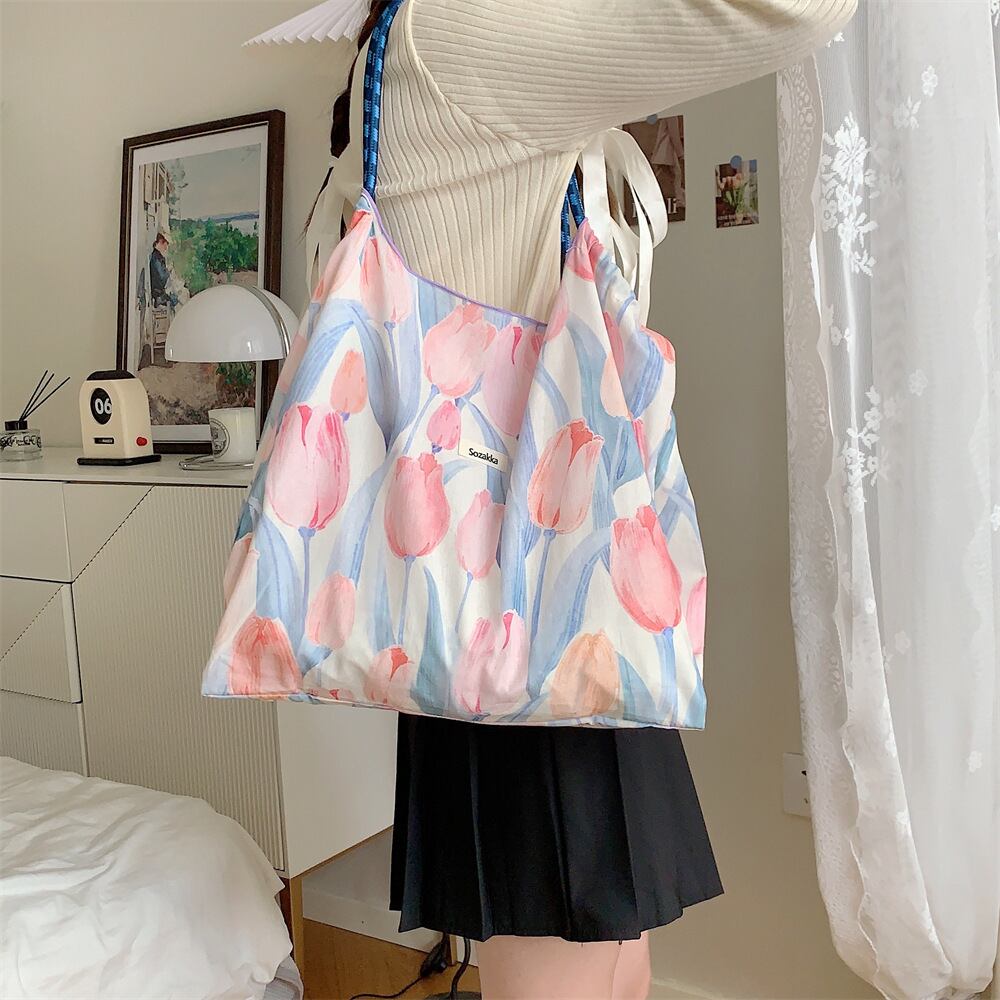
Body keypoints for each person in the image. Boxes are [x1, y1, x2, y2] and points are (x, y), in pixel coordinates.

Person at [307, 2, 857, 997]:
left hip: (526, 595)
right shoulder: (459, 34)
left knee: (609, 962)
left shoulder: (428, 51)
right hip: (534, 606)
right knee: (583, 956)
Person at [149, 233, 172, 307]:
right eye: (166, 244)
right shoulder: (156, 258)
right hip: (158, 295)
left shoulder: (158, 257)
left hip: (159, 293)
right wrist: (168, 271)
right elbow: (162, 277)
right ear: (161, 242)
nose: (166, 248)